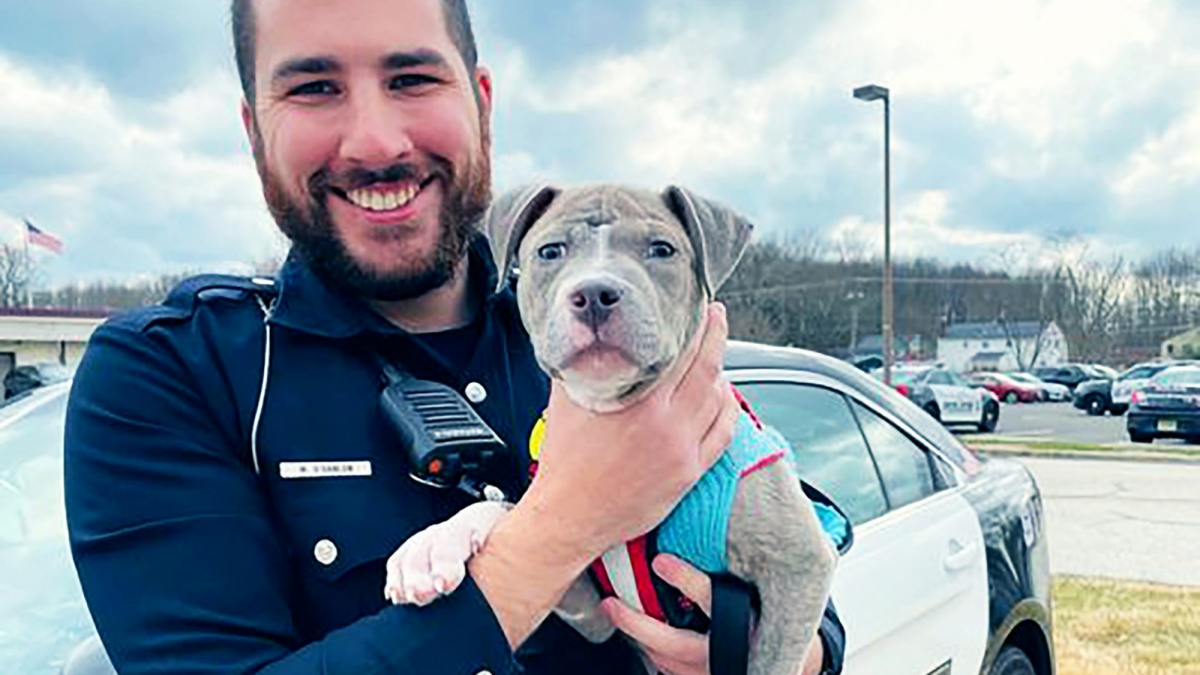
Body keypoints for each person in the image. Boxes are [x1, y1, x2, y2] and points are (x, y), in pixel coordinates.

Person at [63, 0, 846, 673]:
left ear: (481, 102)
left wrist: (774, 651)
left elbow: (804, 568)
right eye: (313, 87)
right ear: (252, 128)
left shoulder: (619, 341)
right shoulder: (171, 374)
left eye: (411, 79)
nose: (375, 142)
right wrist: (566, 521)